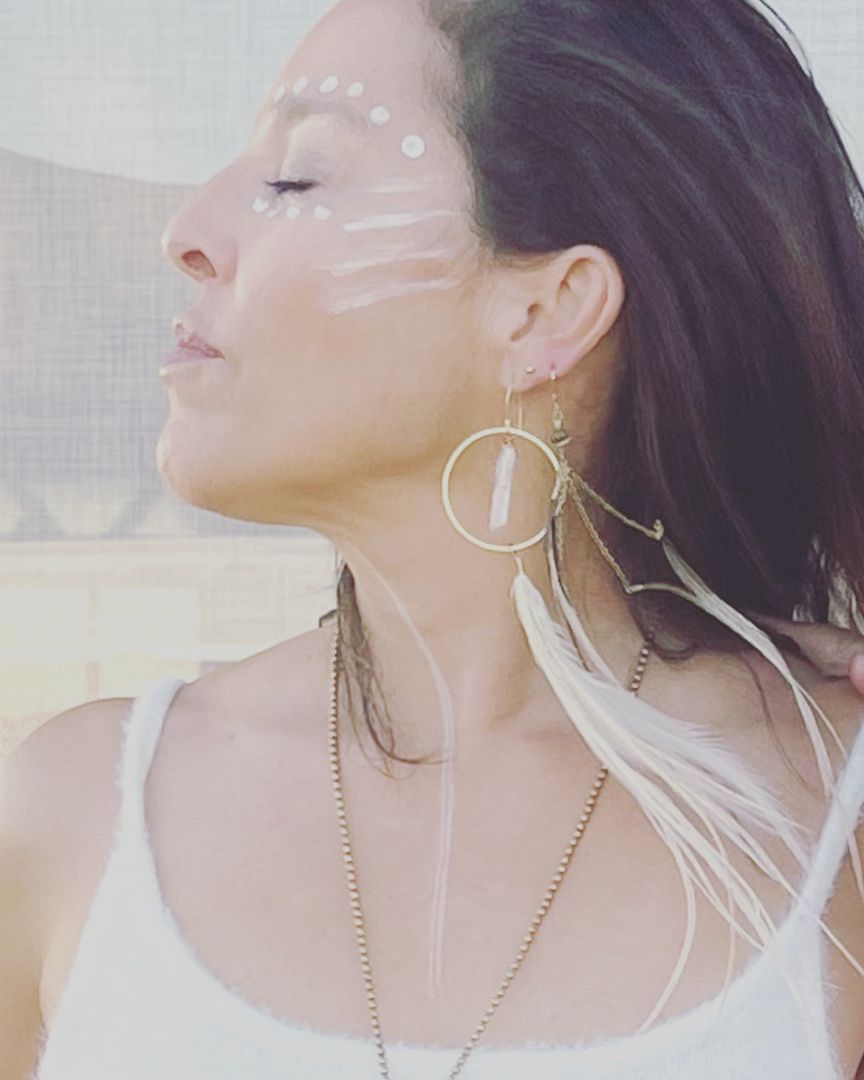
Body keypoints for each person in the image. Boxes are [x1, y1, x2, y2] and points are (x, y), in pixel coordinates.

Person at [3, 0, 864, 1077]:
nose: (186, 230)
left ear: (548, 312)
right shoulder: (72, 816)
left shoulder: (833, 814)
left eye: (297, 178)